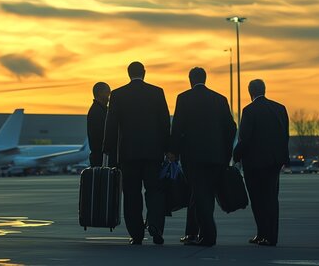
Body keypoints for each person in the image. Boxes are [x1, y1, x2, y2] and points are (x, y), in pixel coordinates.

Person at [103, 62, 171, 245]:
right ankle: (156, 225)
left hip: (128, 155)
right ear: (144, 73)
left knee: (132, 194)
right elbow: (165, 123)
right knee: (154, 191)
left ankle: (137, 234)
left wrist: (108, 149)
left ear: (128, 74)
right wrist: (168, 149)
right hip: (153, 154)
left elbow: (111, 125)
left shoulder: (118, 94)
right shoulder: (157, 92)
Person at [169, 67, 236, 247]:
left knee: (200, 195)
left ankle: (208, 235)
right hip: (216, 158)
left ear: (190, 80)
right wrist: (226, 153)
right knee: (205, 195)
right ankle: (194, 233)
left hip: (193, 158)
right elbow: (231, 128)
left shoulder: (184, 98)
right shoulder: (220, 99)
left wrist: (173, 152)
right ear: (205, 79)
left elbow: (177, 128)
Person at [233, 79, 289, 246]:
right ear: (264, 90)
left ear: (250, 92)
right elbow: (285, 135)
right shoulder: (279, 108)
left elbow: (245, 139)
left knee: (257, 199)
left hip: (254, 163)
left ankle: (262, 233)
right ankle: (272, 235)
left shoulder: (249, 111)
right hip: (274, 161)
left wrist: (236, 156)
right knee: (272, 198)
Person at [87, 82, 112, 167]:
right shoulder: (97, 112)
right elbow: (101, 136)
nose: (109, 97)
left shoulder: (98, 110)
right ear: (101, 93)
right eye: (108, 93)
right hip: (100, 157)